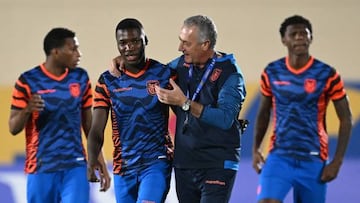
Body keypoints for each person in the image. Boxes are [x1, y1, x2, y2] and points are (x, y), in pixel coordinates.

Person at [252, 15, 352, 203]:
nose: (299, 37)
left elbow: (346, 118)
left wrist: (337, 161)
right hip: (279, 156)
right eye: (294, 34)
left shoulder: (327, 74)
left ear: (311, 38)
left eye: (304, 34)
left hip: (313, 159)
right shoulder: (271, 72)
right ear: (284, 39)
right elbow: (264, 113)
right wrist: (256, 148)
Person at [8, 27, 110, 203]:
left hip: (75, 165)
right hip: (41, 166)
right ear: (55, 52)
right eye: (73, 49)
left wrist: (99, 160)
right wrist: (27, 110)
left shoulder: (80, 77)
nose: (79, 54)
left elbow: (88, 124)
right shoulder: (27, 81)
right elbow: (13, 128)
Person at [154, 15, 247, 203]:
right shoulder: (179, 65)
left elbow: (224, 119)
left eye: (186, 43)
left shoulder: (230, 74)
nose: (180, 48)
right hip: (185, 163)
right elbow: (149, 75)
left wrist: (184, 103)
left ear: (205, 44)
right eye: (180, 41)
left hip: (217, 162)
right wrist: (121, 61)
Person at [87, 18, 174, 203]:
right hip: (123, 166)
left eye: (135, 41)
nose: (129, 47)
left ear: (145, 40)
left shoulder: (165, 74)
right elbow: (96, 129)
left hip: (156, 161)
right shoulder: (107, 81)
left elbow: (184, 114)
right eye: (123, 43)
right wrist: (92, 158)